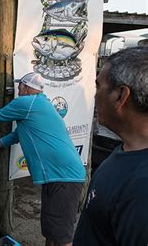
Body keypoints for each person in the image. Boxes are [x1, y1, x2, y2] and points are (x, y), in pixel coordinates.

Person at [0, 72, 86, 246]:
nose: (18, 89)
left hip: (64, 176)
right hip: (57, 176)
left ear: (28, 87)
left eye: (20, 85)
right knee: (50, 229)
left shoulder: (27, 103)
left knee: (61, 236)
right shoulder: (37, 106)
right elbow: (16, 136)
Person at [74, 47, 148, 245]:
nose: (94, 95)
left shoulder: (141, 189)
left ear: (121, 96)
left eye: (98, 86)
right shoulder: (129, 151)